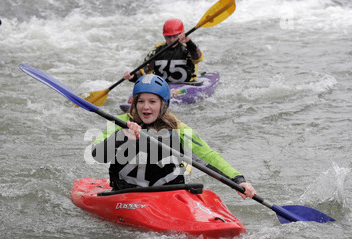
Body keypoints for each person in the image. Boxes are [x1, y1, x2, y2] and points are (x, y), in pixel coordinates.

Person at [92, 74, 257, 200]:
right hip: (125, 193)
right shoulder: (121, 124)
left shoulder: (179, 130)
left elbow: (209, 157)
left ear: (164, 104)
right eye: (140, 101)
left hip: (171, 195)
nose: (145, 107)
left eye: (152, 101)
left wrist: (238, 180)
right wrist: (121, 136)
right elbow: (98, 155)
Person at [124, 18, 204, 84]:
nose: (171, 40)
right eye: (168, 37)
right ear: (164, 36)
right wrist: (132, 76)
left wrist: (189, 42)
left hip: (187, 86)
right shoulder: (157, 50)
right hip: (163, 88)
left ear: (181, 34)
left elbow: (198, 58)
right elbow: (144, 71)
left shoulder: (189, 48)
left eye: (174, 36)